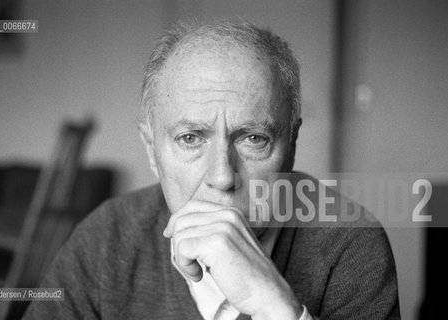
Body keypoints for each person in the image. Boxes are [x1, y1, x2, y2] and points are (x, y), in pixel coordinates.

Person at [24, 20, 400, 319]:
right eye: (190, 138)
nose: (221, 177)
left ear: (292, 144)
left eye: (253, 139)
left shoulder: (350, 242)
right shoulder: (106, 239)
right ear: (152, 151)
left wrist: (277, 309)